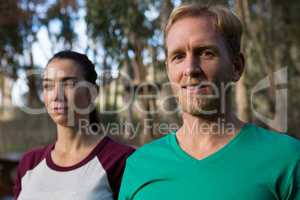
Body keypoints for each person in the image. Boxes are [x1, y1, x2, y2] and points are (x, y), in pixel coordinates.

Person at [119, 4, 300, 200]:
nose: (190, 69)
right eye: (178, 56)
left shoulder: (287, 158)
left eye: (206, 53)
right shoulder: (139, 165)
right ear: (169, 70)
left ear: (236, 67)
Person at [14, 50, 134, 200]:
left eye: (69, 84)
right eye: (48, 86)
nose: (56, 96)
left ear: (92, 93)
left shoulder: (122, 160)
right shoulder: (29, 163)